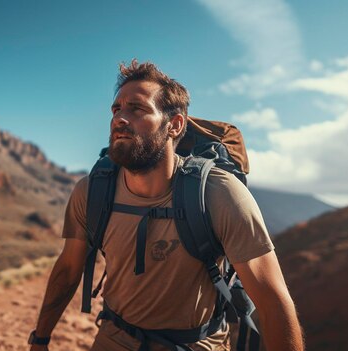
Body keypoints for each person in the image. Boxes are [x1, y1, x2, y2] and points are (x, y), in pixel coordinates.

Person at [28, 60, 304, 351]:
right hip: (114, 339)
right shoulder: (93, 190)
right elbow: (69, 268)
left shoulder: (219, 194)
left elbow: (273, 302)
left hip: (196, 345)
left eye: (137, 108)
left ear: (174, 125)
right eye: (116, 109)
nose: (119, 118)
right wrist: (40, 339)